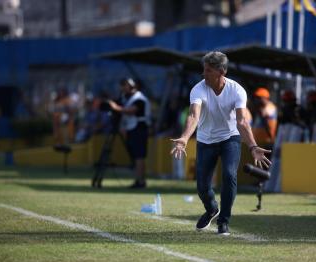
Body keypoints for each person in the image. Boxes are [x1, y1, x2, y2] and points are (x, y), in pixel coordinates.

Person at [170, 51, 271, 235]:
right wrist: (184, 138)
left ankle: (223, 221)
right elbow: (194, 115)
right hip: (205, 140)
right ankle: (211, 209)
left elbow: (242, 122)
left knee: (229, 175)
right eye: (204, 70)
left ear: (221, 71)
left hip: (230, 138)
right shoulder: (198, 89)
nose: (204, 74)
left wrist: (253, 146)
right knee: (202, 186)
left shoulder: (237, 90)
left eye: (208, 70)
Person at [108, 78, 151, 189]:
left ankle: (140, 181)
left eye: (125, 85)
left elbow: (132, 110)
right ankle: (138, 180)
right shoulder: (129, 98)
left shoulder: (139, 99)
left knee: (139, 156)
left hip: (139, 128)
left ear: (133, 87)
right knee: (136, 156)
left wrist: (116, 108)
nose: (123, 88)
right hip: (132, 128)